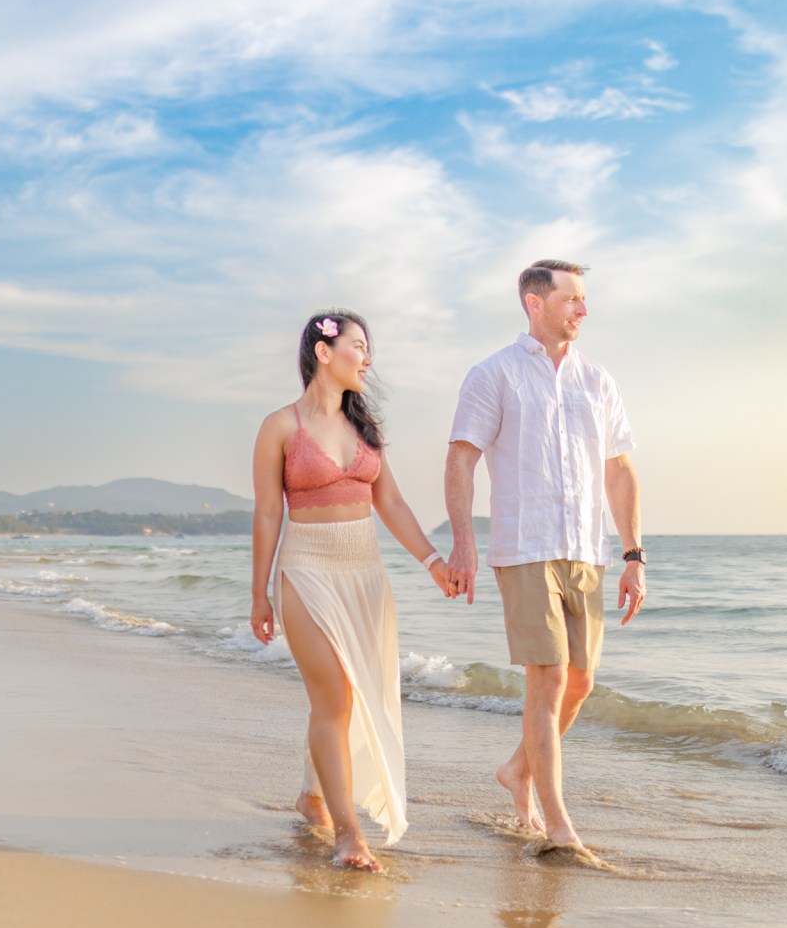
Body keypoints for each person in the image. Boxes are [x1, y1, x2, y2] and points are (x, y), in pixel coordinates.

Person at [444, 259, 645, 853]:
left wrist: (634, 554)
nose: (583, 309)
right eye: (572, 299)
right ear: (534, 302)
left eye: (584, 300)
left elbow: (620, 470)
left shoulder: (598, 380)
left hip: (587, 548)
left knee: (580, 682)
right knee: (549, 677)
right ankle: (558, 825)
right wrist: (463, 541)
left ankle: (517, 770)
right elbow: (461, 459)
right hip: (526, 546)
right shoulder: (494, 375)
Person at [251, 309, 456, 872]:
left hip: (365, 576)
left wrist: (433, 561)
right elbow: (269, 512)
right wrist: (259, 593)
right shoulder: (281, 427)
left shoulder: (368, 430)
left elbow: (390, 503)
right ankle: (349, 835)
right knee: (334, 699)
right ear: (324, 351)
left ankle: (312, 794)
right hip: (307, 570)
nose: (367, 358)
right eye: (359, 346)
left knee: (355, 696)